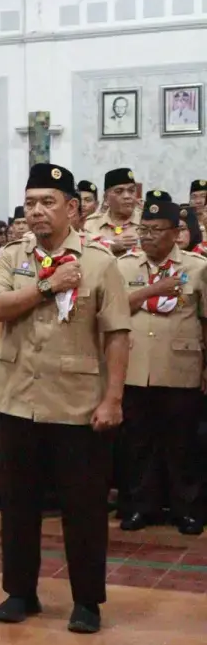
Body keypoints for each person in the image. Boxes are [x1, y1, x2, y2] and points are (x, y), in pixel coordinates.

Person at [0, 162, 130, 635]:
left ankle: (87, 600)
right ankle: (19, 591)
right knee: (18, 503)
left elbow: (117, 336)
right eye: (31, 203)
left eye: (48, 202)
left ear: (72, 208)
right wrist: (46, 286)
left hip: (76, 402)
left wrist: (113, 399)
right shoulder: (11, 257)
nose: (38, 212)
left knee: (83, 508)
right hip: (15, 397)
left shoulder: (100, 262)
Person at [117, 200, 205, 536]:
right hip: (135, 366)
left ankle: (187, 510)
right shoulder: (124, 267)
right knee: (138, 442)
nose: (148, 237)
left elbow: (204, 317)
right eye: (144, 230)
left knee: (182, 443)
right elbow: (113, 308)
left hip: (180, 365)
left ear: (176, 232)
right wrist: (153, 290)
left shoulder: (197, 267)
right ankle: (142, 507)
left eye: (156, 230)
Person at [84, 168, 140, 254]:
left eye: (131, 190)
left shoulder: (147, 224)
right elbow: (84, 255)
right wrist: (110, 246)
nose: (127, 196)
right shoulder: (90, 225)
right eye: (119, 191)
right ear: (106, 198)